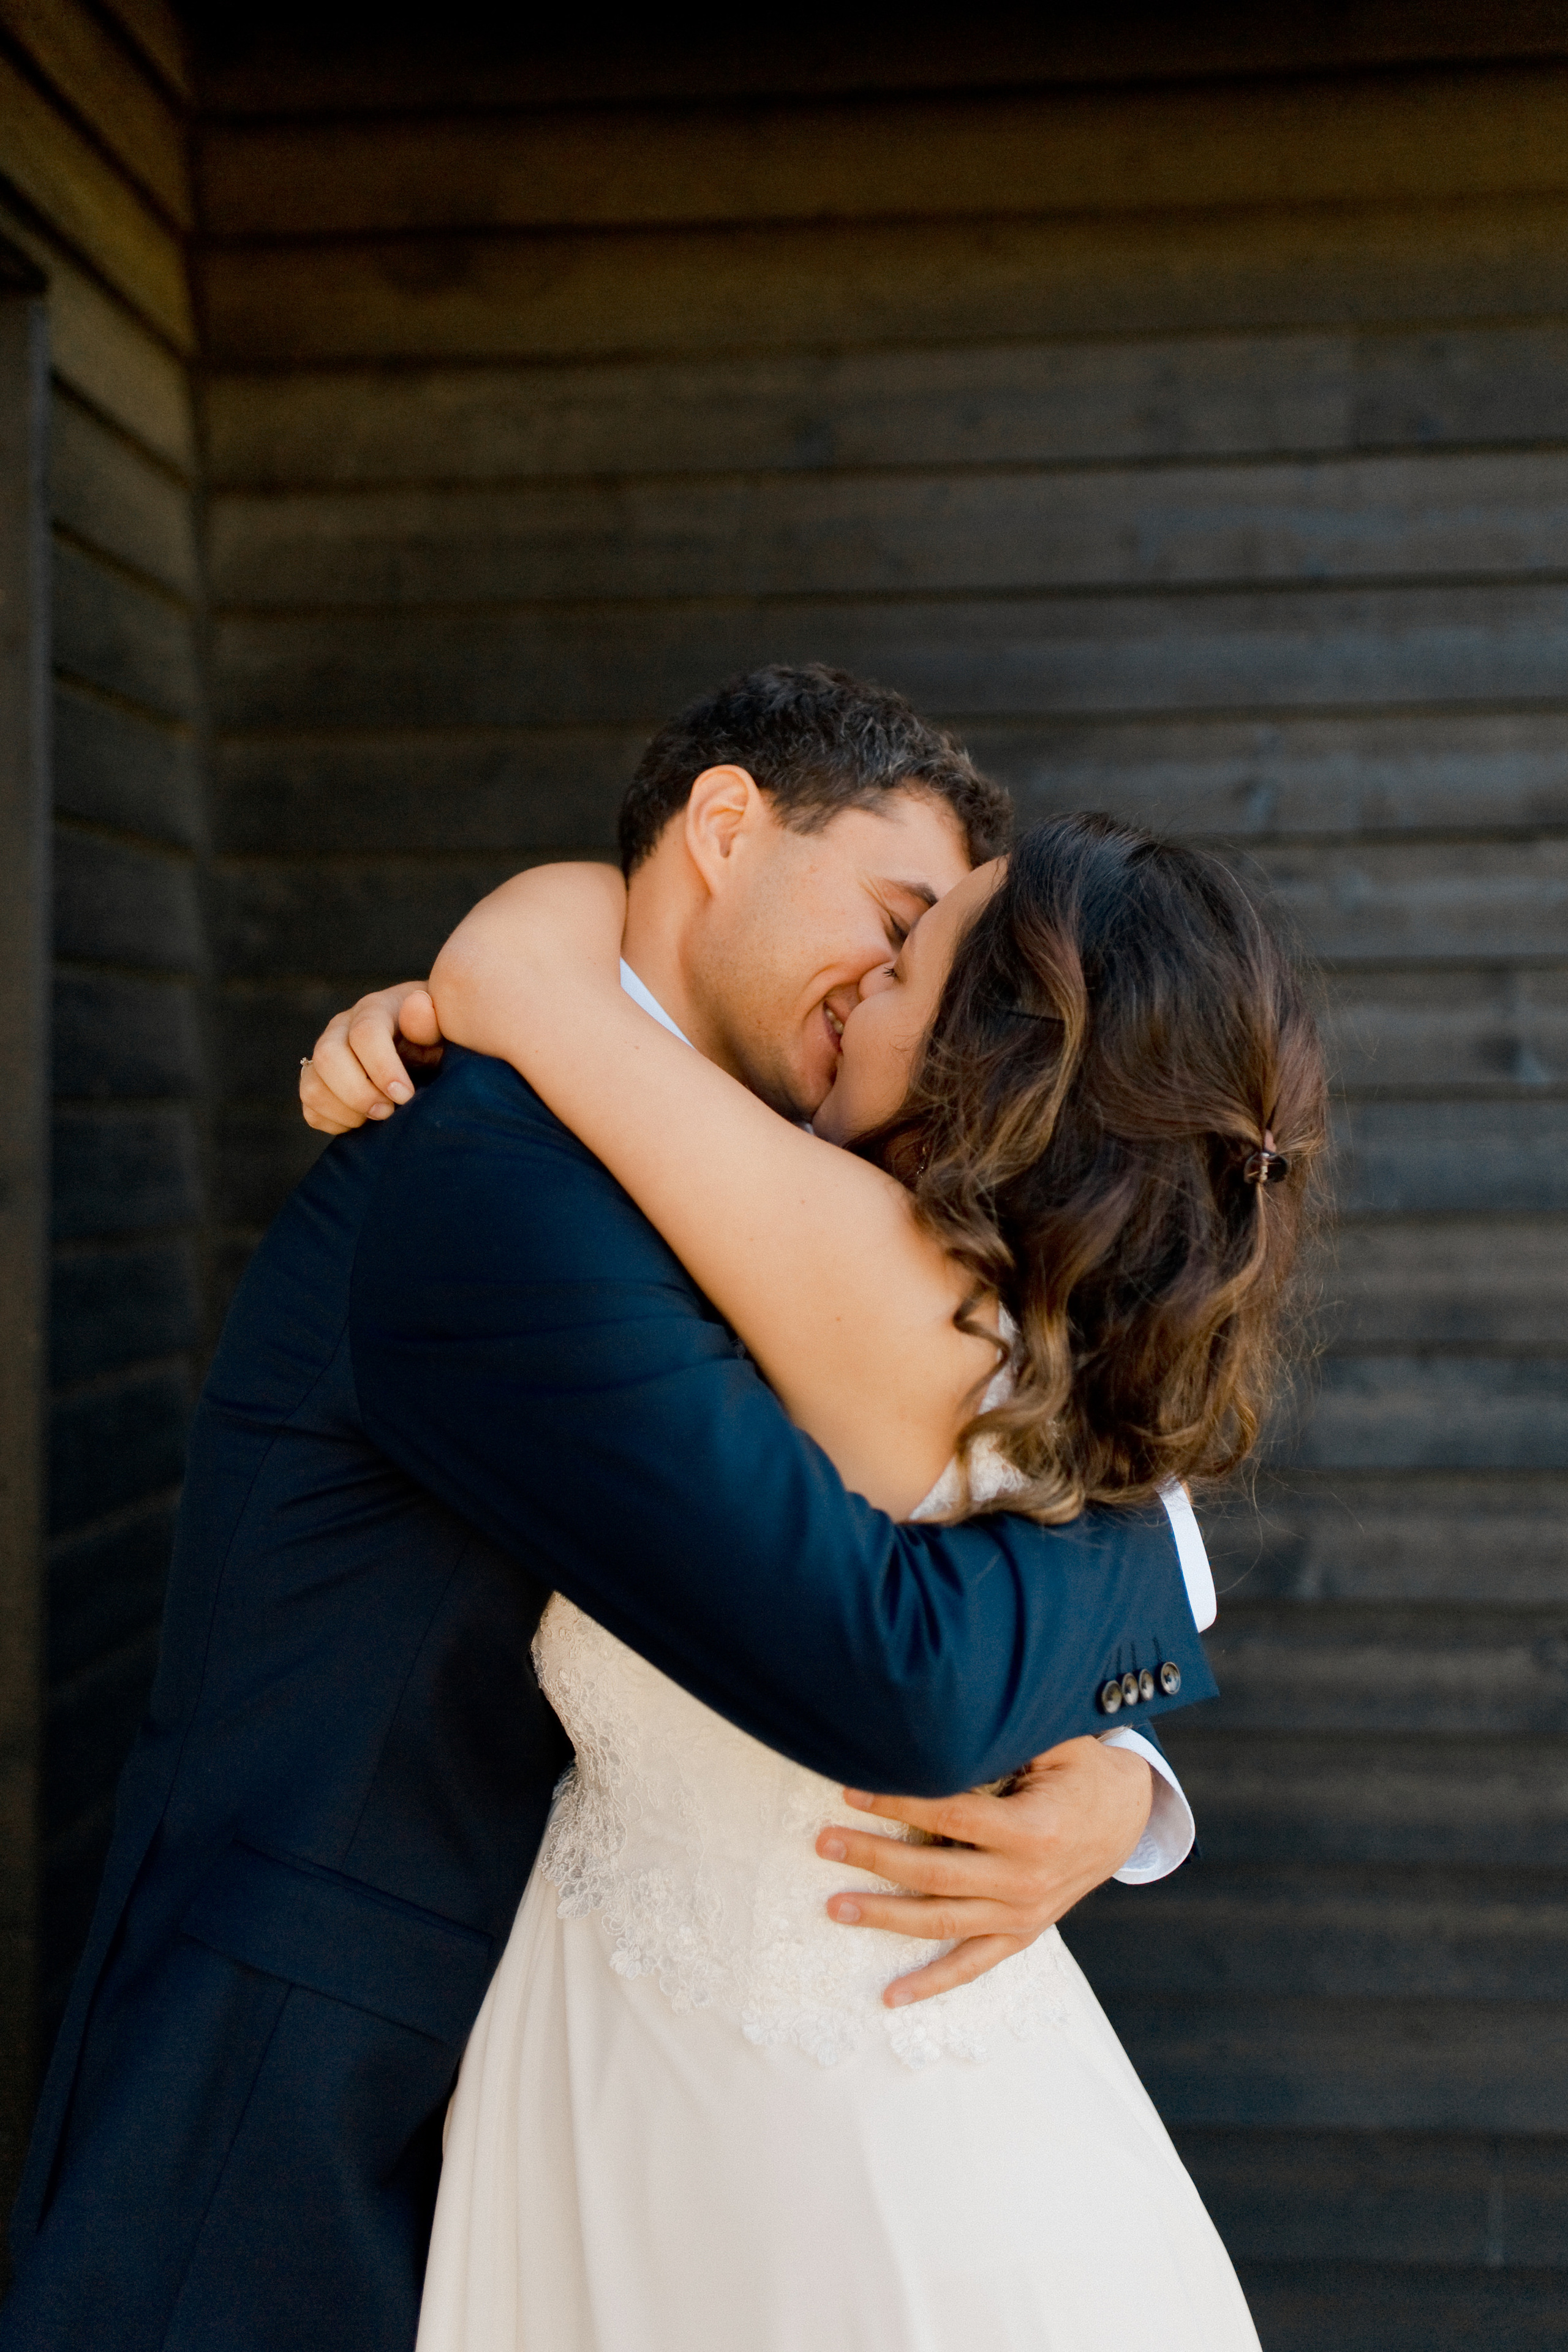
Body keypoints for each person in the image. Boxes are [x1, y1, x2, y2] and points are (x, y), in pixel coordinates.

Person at [2, 669, 1217, 2352]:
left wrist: (1118, 1771)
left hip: (633, 2110)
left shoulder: (771, 1182)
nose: (897, 991)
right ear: (727, 829)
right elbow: (893, 1666)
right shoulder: (487, 1170)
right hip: (317, 2112)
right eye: (893, 918)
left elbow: (1049, 1434)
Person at [307, 797, 1324, 2346]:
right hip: (842, 2092)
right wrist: (1120, 1777)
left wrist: (453, 1024)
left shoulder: (851, 1257)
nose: (869, 975)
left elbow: (525, 968)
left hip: (773, 2148)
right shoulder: (1063, 1319)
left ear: (990, 1056)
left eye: (911, 953)